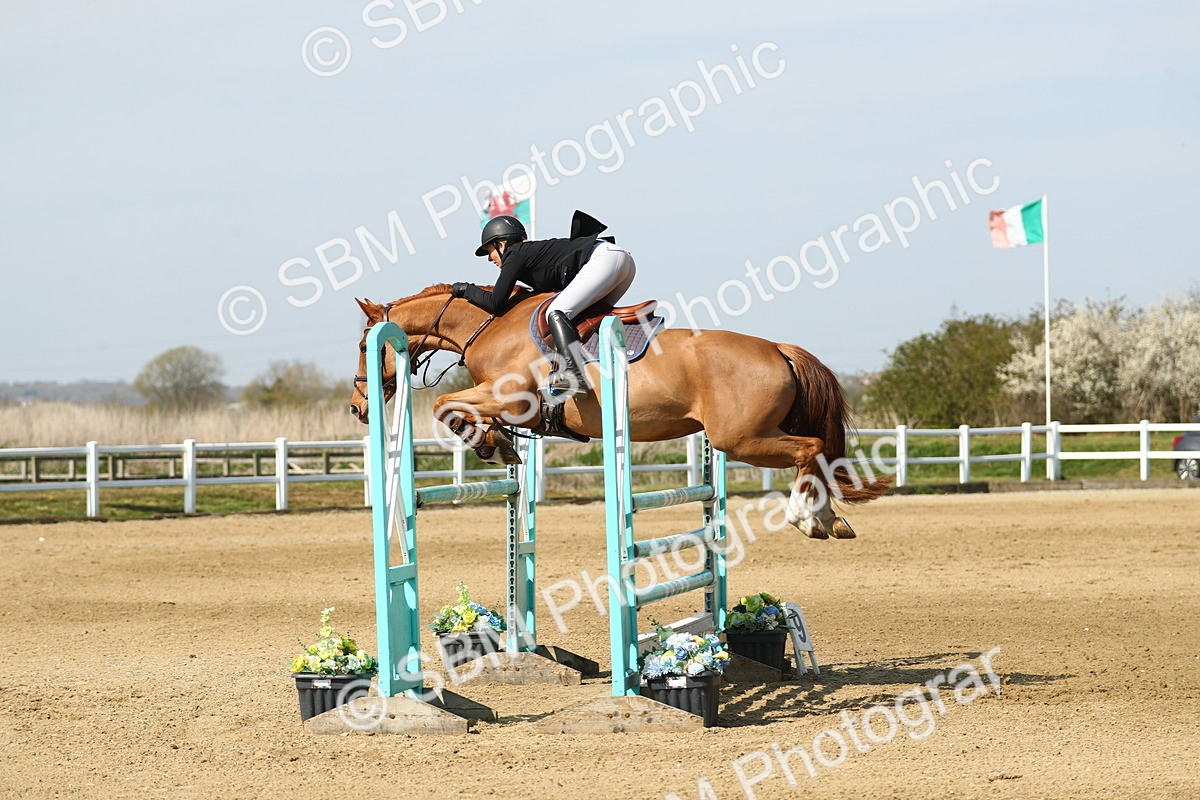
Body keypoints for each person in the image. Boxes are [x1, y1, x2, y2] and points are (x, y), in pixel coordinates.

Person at [451, 210, 636, 396]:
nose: (489, 258)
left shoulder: (514, 254)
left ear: (501, 244)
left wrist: (466, 289)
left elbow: (495, 302)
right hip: (622, 262)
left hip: (603, 259)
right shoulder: (529, 255)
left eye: (489, 251)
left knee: (556, 312)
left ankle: (573, 375)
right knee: (586, 317)